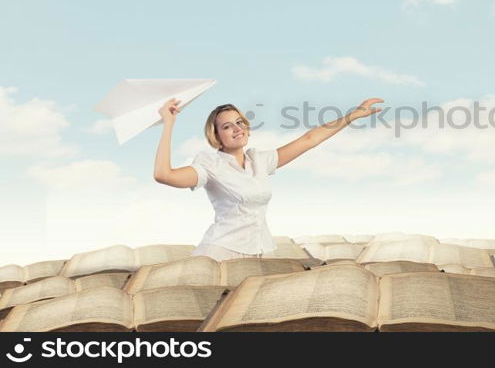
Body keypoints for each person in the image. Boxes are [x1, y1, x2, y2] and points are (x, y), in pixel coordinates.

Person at [153, 97, 383, 261]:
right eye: (227, 126)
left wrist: (353, 116)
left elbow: (309, 139)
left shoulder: (260, 160)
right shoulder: (210, 164)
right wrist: (168, 124)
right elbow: (164, 175)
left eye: (239, 122)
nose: (236, 128)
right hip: (222, 253)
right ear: (216, 136)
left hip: (262, 250)